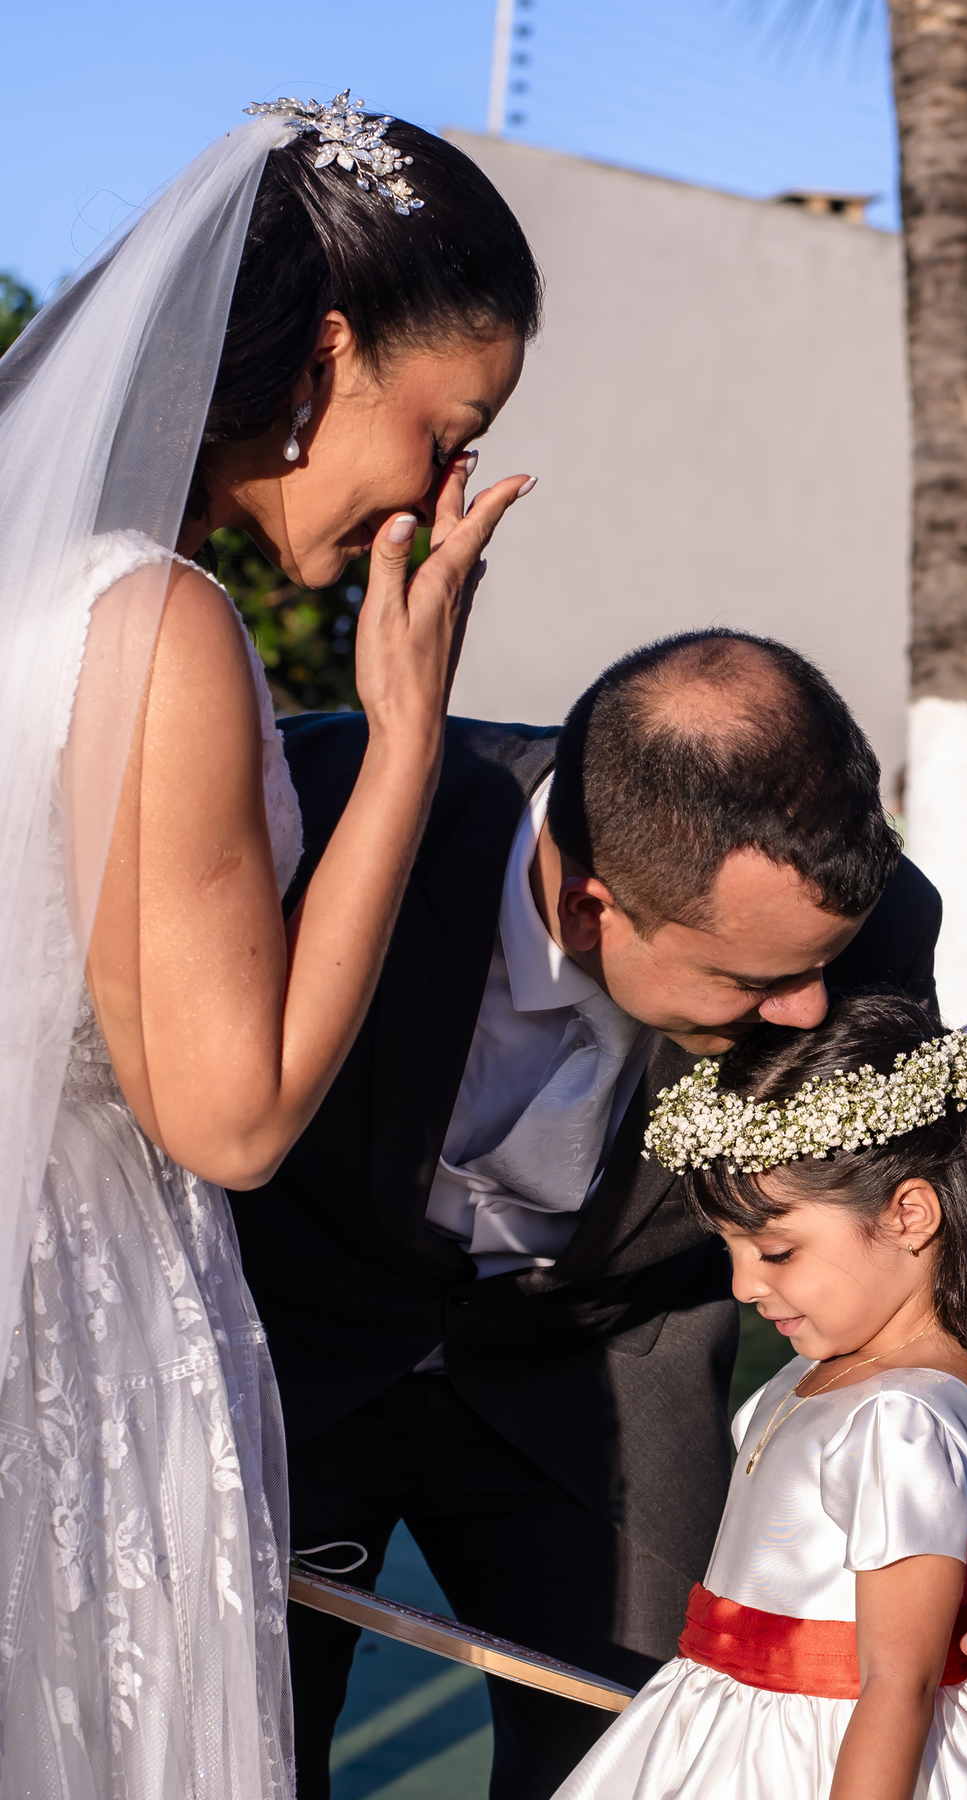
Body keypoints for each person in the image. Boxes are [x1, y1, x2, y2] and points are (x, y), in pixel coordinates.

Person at [246, 630, 967, 1799]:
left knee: (677, 1752)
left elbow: (951, 1212)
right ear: (594, 906)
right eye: (750, 984)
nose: (805, 1013)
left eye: (820, 970)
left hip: (608, 1373)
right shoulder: (323, 797)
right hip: (293, 1353)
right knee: (231, 1744)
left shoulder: (866, 925)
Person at [0, 93, 539, 1798]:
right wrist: (399, 742)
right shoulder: (149, 623)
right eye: (452, 426)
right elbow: (228, 1115)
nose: (451, 490)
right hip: (66, 1310)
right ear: (325, 350)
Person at [552, 991, 967, 1800]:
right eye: (732, 1250)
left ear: (910, 1213)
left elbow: (899, 1685)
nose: (744, 1284)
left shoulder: (901, 1421)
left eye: (776, 1249)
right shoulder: (842, 1364)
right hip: (738, 1726)